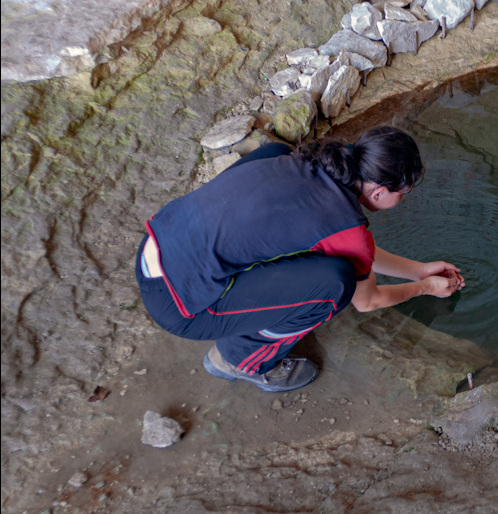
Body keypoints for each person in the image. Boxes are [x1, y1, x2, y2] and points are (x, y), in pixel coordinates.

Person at [135, 126, 464, 392]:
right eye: (402, 194)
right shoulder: (348, 227)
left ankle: (238, 314)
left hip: (157, 246)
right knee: (335, 285)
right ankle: (240, 358)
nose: (402, 200)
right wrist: (425, 288)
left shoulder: (308, 161)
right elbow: (368, 300)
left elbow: (345, 243)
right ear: (379, 192)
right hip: (179, 306)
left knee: (271, 153)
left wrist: (418, 270)